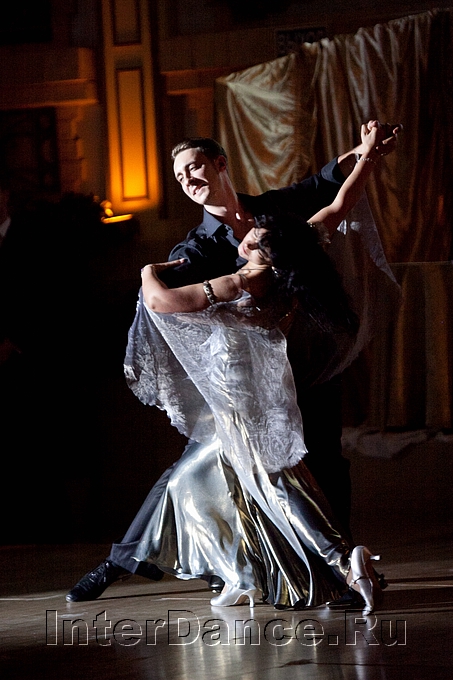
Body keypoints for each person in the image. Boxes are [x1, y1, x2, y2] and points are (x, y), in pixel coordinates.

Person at [66, 121, 400, 604]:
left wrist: (147, 273)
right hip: (245, 387)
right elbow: (337, 200)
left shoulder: (270, 224)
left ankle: (333, 568)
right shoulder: (197, 249)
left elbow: (325, 187)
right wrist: (366, 154)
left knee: (312, 466)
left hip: (300, 371)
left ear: (220, 164)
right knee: (205, 472)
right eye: (179, 176)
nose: (187, 180)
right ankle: (136, 561)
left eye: (194, 167)